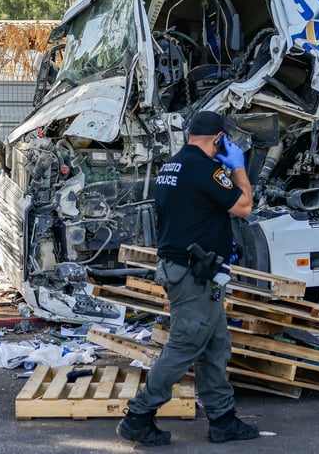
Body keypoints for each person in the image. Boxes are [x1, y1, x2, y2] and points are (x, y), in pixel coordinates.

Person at [117, 110, 260, 446]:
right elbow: (244, 206)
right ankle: (138, 417)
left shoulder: (172, 166)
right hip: (194, 275)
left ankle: (223, 420)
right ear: (220, 139)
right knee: (184, 345)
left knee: (215, 346)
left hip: (188, 270)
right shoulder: (206, 169)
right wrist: (237, 166)